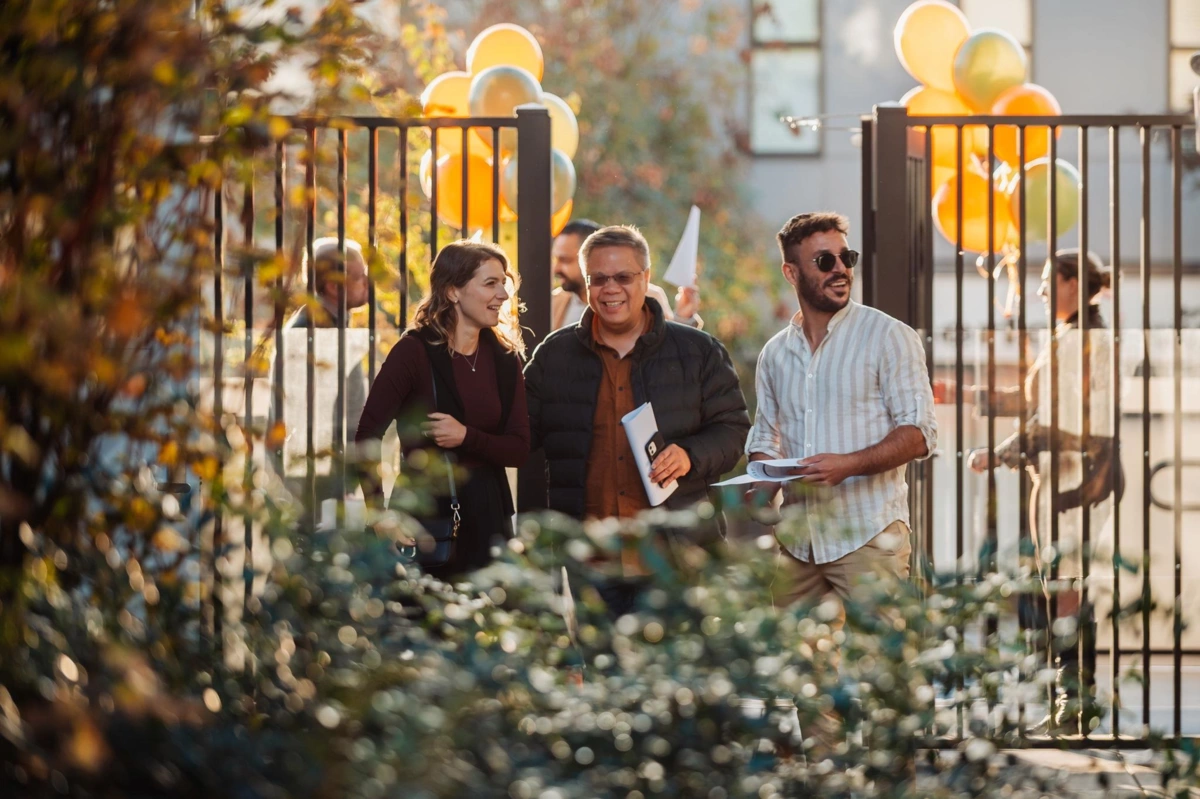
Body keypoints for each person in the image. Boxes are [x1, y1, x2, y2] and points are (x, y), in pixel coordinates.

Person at [525, 225, 750, 612]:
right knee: (601, 669)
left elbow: (733, 431)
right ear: (587, 283)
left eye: (624, 277)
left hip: (677, 558)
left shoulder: (698, 351)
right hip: (592, 562)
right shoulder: (554, 356)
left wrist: (689, 455)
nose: (611, 289)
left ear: (645, 278)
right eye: (599, 279)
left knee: (682, 672)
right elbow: (518, 432)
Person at [745, 211, 937, 618]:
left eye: (846, 257)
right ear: (790, 272)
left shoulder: (888, 337)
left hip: (869, 537)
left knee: (879, 675)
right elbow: (766, 439)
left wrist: (848, 465)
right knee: (791, 672)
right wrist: (760, 481)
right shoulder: (775, 354)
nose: (840, 270)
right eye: (824, 261)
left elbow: (920, 433)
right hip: (797, 543)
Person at [961, 249, 1118, 730]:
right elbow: (1036, 402)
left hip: (1073, 482)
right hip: (1060, 478)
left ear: (1074, 283)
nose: (1041, 290)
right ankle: (1069, 708)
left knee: (1067, 592)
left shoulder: (1084, 341)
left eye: (1050, 280)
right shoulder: (1070, 338)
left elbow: (1062, 420)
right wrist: (967, 396)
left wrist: (1002, 451)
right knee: (1061, 591)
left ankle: (1071, 711)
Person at [354, 240, 529, 578]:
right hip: (424, 523)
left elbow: (519, 449)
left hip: (490, 522)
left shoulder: (506, 359)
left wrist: (466, 436)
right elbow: (366, 436)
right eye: (490, 283)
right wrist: (381, 516)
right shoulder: (413, 352)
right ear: (452, 292)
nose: (504, 294)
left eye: (503, 283)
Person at [270, 237, 371, 509]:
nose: (368, 282)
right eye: (361, 276)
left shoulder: (331, 328)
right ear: (333, 286)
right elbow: (309, 424)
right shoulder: (310, 334)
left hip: (331, 482)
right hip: (317, 488)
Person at [551, 219, 702, 330]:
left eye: (565, 260)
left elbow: (670, 353)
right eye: (555, 259)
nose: (556, 269)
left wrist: (683, 318)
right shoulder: (554, 303)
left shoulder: (648, 299)